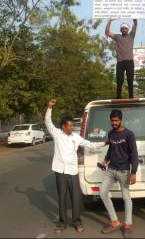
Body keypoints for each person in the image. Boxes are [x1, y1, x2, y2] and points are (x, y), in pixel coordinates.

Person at [44, 99, 108, 234]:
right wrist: (50, 107)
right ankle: (61, 223)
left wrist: (105, 143)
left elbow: (90, 144)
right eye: (69, 125)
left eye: (72, 125)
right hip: (60, 171)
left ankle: (77, 222)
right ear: (63, 126)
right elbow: (48, 123)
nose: (72, 127)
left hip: (72, 172)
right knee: (62, 198)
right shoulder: (57, 135)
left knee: (76, 198)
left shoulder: (76, 137)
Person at [100, 109, 138, 238]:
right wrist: (105, 161)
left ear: (121, 120)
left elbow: (134, 154)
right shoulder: (111, 133)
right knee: (103, 192)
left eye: (116, 120)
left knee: (126, 197)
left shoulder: (129, 134)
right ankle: (115, 221)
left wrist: (133, 172)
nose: (114, 122)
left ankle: (128, 224)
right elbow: (111, 149)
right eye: (112, 120)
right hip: (111, 169)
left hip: (124, 171)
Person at [105, 19, 137, 99]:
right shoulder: (117, 37)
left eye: (125, 28)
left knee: (130, 80)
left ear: (128, 29)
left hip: (129, 61)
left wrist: (134, 19)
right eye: (122, 28)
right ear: (120, 30)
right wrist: (109, 21)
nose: (124, 29)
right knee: (119, 81)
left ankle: (131, 97)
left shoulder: (131, 35)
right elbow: (107, 32)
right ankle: (118, 97)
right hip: (120, 62)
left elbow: (135, 24)